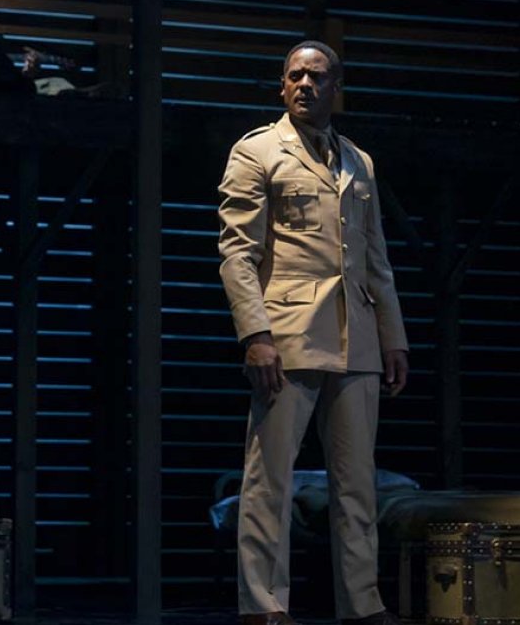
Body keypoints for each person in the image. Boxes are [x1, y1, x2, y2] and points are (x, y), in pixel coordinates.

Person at [217, 40, 410, 625]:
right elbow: (236, 253)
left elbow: (375, 256)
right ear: (282, 86)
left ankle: (362, 604)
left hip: (357, 338)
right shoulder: (258, 152)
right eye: (295, 76)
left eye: (316, 76)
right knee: (269, 480)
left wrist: (393, 334)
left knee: (357, 486)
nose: (304, 84)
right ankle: (264, 605)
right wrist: (255, 333)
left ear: (335, 88)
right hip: (289, 334)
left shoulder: (358, 161)